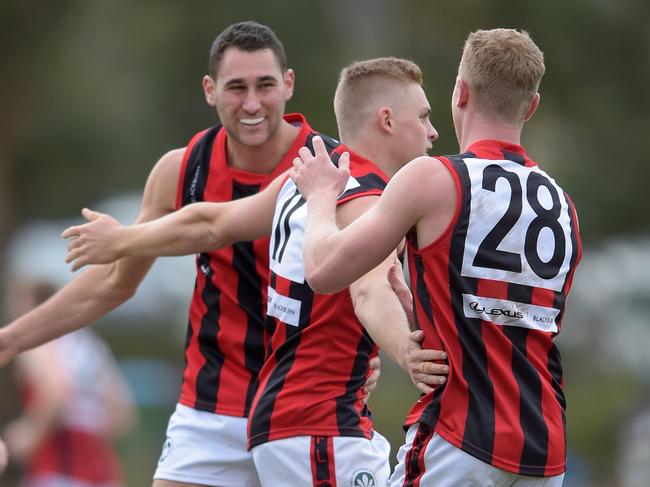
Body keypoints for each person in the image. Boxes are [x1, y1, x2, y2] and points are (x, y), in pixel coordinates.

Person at [0, 22, 441, 487]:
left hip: (304, 409)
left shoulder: (325, 173)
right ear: (210, 91)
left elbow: (369, 288)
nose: (252, 104)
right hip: (216, 408)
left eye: (265, 86)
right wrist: (11, 339)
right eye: (236, 88)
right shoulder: (186, 171)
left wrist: (379, 348)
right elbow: (119, 280)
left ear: (288, 85)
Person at [290, 29, 582, 486]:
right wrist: (423, 306)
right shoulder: (563, 204)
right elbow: (513, 314)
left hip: (463, 436)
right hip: (544, 449)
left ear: (460, 92)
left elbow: (323, 271)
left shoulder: (434, 177)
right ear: (531, 106)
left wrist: (321, 196)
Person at [2, 278, 135, 487]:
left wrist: (31, 432)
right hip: (104, 472)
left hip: (58, 469)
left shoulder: (36, 342)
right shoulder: (92, 347)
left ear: (28, 304)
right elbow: (122, 417)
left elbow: (56, 393)